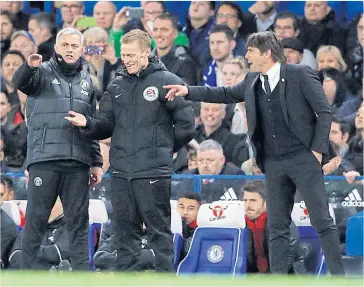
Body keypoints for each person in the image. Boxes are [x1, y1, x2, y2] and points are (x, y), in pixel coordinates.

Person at [164, 31, 345, 275]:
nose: (246, 55)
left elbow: (324, 112)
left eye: (250, 51)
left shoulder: (299, 73)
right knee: (277, 226)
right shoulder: (251, 80)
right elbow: (223, 94)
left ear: (267, 53)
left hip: (303, 157)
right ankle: (278, 278)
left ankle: (339, 277)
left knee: (321, 221)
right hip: (273, 162)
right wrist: (188, 91)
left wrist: (317, 151)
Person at [65, 29, 195, 272]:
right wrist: (88, 124)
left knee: (159, 233)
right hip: (122, 172)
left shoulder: (168, 82)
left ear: (147, 52)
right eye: (124, 54)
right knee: (125, 233)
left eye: (132, 54)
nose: (126, 59)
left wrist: (163, 150)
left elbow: (187, 126)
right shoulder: (116, 85)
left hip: (153, 170)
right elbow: (105, 124)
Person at [13, 27, 103, 270]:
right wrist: (29, 67)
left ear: (82, 50)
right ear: (57, 48)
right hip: (45, 160)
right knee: (35, 222)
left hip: (78, 164)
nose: (70, 50)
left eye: (75, 46)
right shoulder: (40, 72)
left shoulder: (87, 82)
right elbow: (19, 83)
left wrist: (96, 162)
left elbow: (91, 125)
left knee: (78, 225)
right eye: (65, 45)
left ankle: (82, 278)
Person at [242, 181, 305, 274]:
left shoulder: (281, 225)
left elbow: (282, 268)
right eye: (245, 200)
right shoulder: (244, 225)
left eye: (253, 200)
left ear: (267, 203)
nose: (247, 205)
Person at [8, 198, 71, 270]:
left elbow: (56, 254)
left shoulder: (71, 226)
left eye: (52, 203)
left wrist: (27, 250)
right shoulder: (32, 225)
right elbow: (14, 256)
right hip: (29, 277)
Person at [176, 191, 201, 260]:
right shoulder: (167, 228)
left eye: (191, 209)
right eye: (181, 207)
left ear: (199, 210)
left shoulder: (201, 233)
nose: (185, 212)